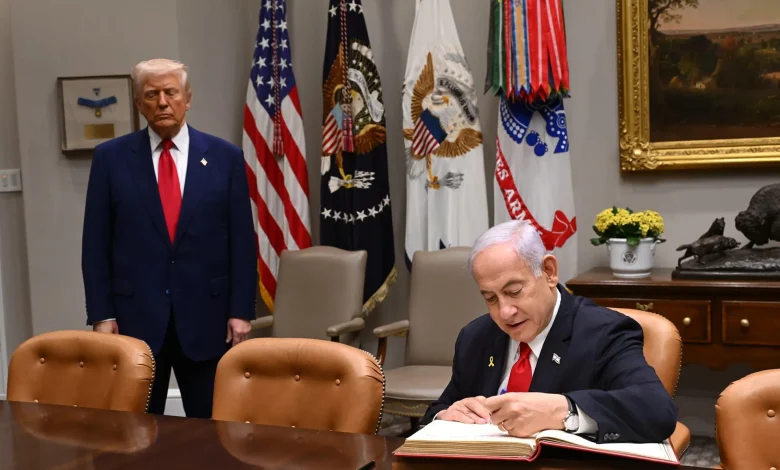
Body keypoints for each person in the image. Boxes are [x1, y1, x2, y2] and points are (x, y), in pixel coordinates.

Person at [81, 58, 257, 418]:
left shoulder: (225, 158)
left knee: (212, 432)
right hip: (134, 321)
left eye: (171, 92)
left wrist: (241, 311)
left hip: (208, 320)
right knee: (136, 432)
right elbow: (95, 245)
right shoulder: (110, 159)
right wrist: (101, 314)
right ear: (138, 103)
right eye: (152, 94)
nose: (162, 102)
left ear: (187, 98)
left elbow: (242, 242)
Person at [421, 220, 678, 444]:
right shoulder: (475, 337)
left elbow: (656, 410)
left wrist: (564, 411)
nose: (505, 312)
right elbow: (437, 410)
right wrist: (446, 416)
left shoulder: (604, 332)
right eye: (490, 298)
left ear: (549, 272)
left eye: (514, 291)